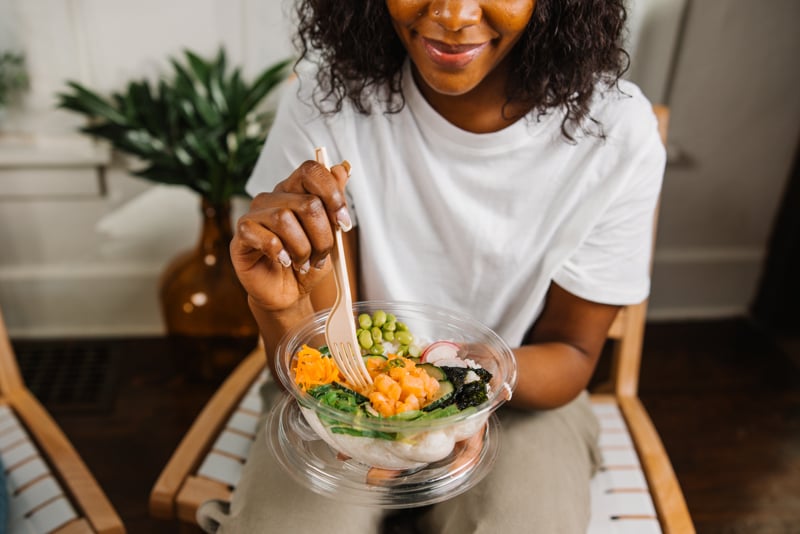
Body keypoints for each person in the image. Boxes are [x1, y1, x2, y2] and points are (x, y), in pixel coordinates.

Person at [204, 0, 666, 532]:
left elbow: (574, 352)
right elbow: (321, 357)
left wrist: (469, 383)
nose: (451, 14)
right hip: (344, 394)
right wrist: (278, 308)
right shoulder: (325, 105)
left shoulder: (612, 132)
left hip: (523, 399)